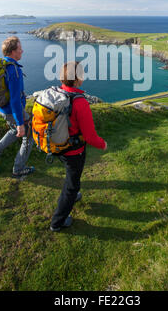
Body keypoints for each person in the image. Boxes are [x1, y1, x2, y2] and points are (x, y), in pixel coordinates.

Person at [50, 61, 107, 232]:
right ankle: (57, 222)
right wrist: (102, 144)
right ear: (76, 79)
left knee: (71, 176)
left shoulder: (57, 93)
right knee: (71, 184)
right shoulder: (80, 102)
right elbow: (90, 136)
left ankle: (73, 196)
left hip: (58, 145)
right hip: (74, 150)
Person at [0, 36, 35, 178]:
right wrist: (20, 123)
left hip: (3, 109)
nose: (22, 51)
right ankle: (18, 169)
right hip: (12, 110)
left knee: (13, 131)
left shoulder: (3, 65)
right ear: (13, 52)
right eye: (20, 49)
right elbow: (15, 100)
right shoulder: (14, 71)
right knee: (28, 135)